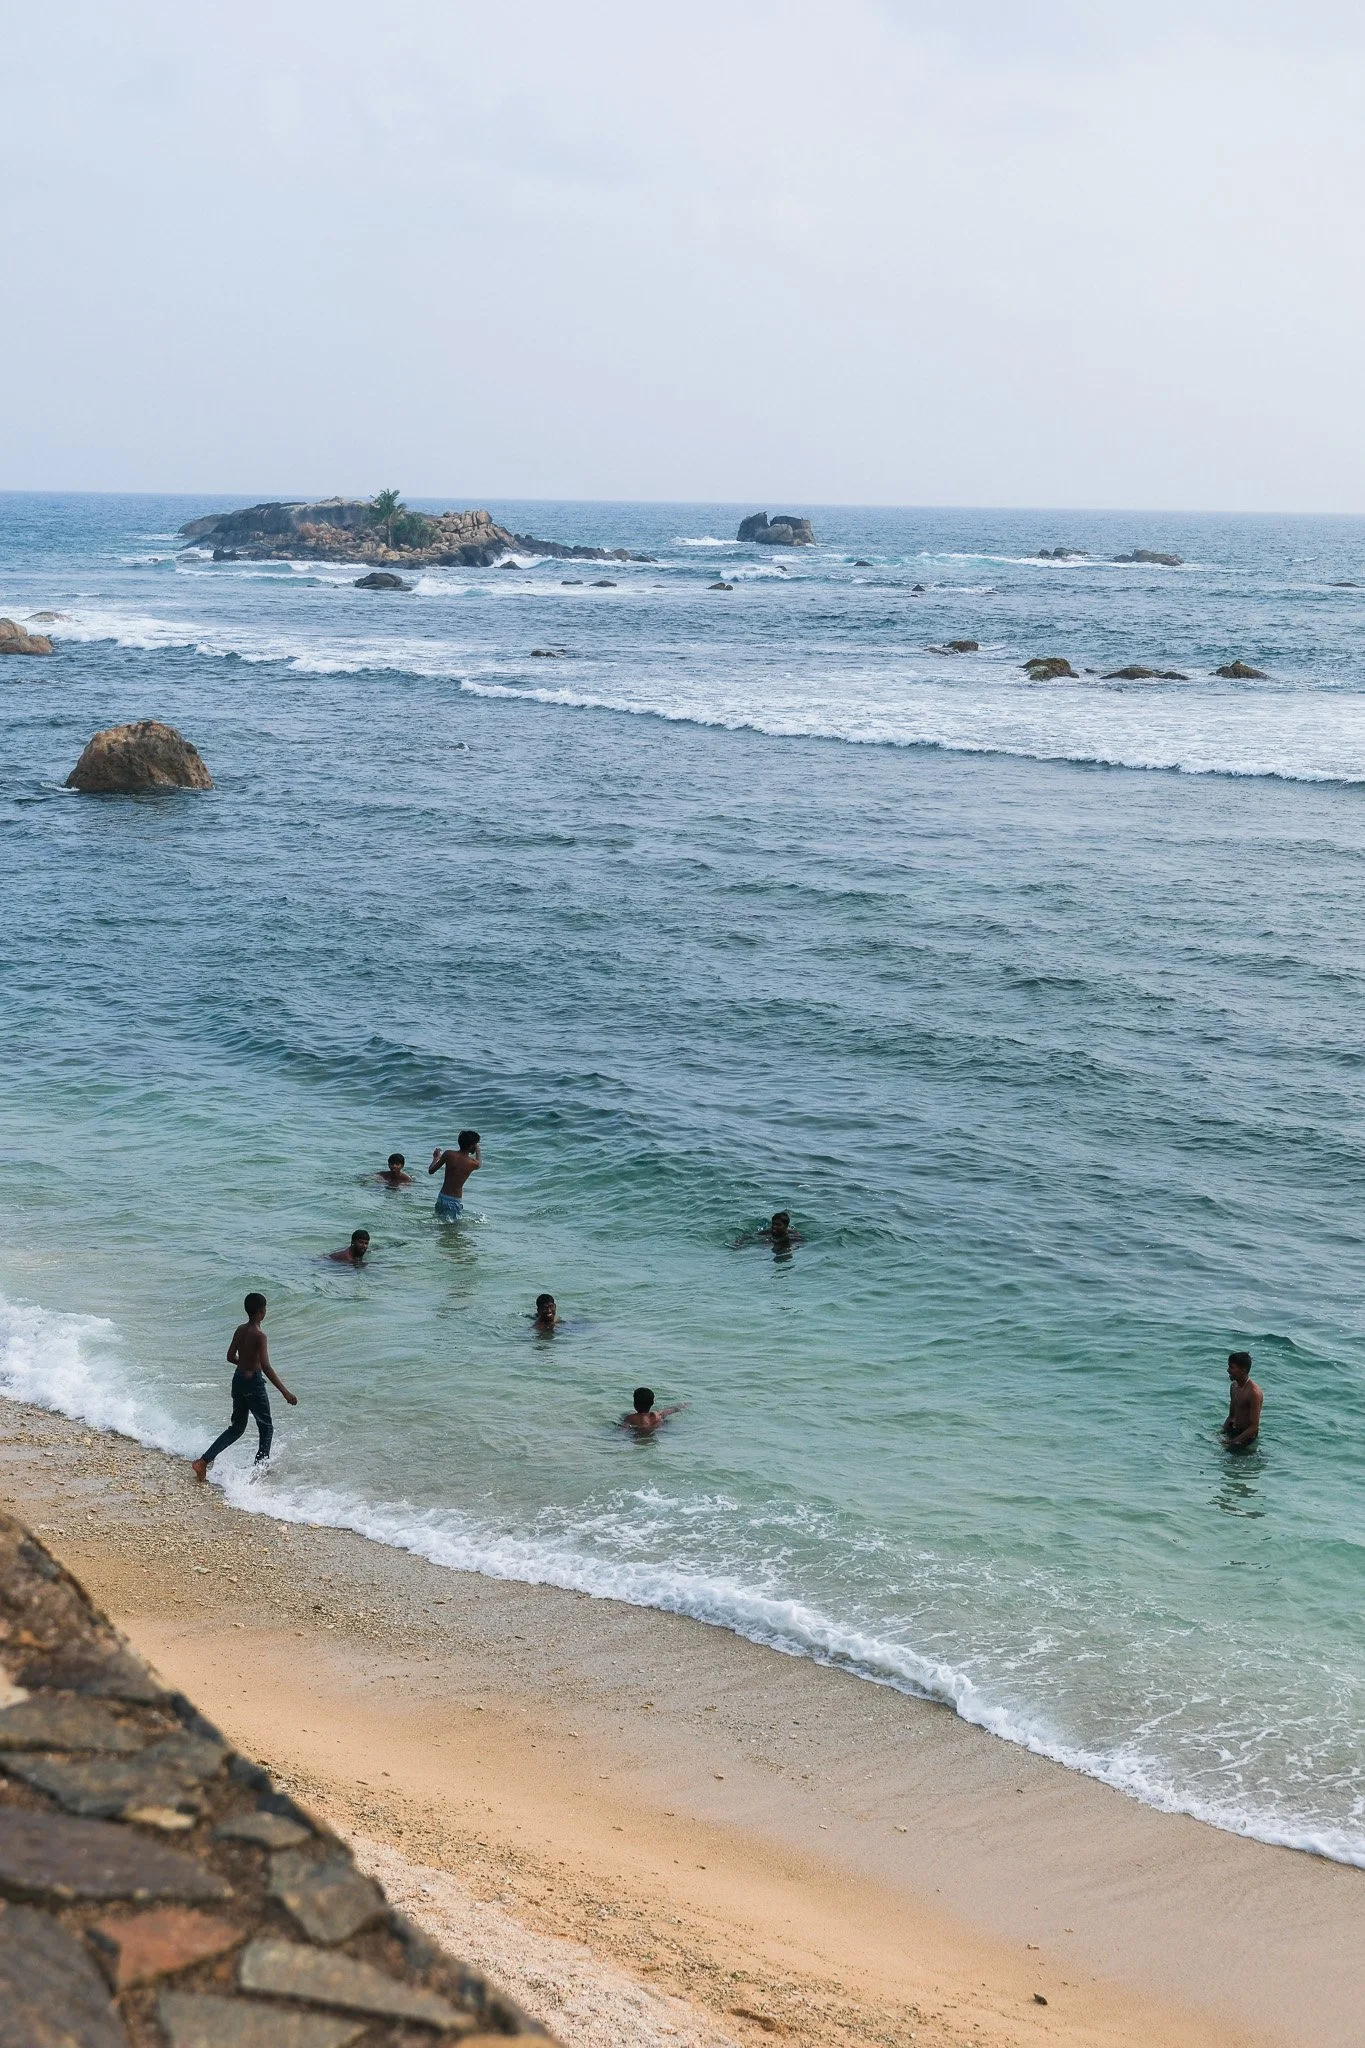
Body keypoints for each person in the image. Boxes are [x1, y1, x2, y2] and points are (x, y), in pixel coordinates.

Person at [191, 1293, 297, 1482]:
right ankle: (259, 1472)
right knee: (266, 1428)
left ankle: (203, 1461)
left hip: (238, 1380)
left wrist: (246, 1364)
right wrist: (285, 1392)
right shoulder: (260, 1336)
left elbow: (230, 1357)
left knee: (237, 1428)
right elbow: (266, 1366)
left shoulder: (240, 1330)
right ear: (261, 1312)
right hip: (253, 1384)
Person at [429, 1131, 481, 1220]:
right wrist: (478, 1150)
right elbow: (479, 1164)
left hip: (441, 1197)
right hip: (454, 1200)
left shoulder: (448, 1154)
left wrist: (435, 1158)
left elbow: (431, 1171)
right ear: (472, 1145)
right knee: (453, 1230)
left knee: (439, 1222)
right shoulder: (472, 1163)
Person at [1222, 1351, 1263, 1448]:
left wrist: (1232, 1442)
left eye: (1231, 1367)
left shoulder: (1254, 1393)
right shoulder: (1233, 1387)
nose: (1228, 1370)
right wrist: (1222, 1432)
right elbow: (1231, 1416)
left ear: (1243, 1370)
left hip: (1246, 1436)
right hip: (1234, 1430)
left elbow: (1254, 1427)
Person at [619, 1386, 685, 1434]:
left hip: (639, 1436)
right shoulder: (658, 1415)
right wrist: (684, 1405)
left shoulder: (630, 1418)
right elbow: (674, 1409)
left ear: (634, 1403)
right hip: (656, 1433)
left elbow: (622, 1431)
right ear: (652, 1403)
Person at [734, 1210, 804, 1252]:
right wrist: (738, 1244)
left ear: (786, 1226)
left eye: (778, 1225)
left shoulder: (793, 1234)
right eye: (773, 1224)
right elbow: (747, 1236)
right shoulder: (768, 1231)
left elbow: (801, 1243)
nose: (774, 1227)